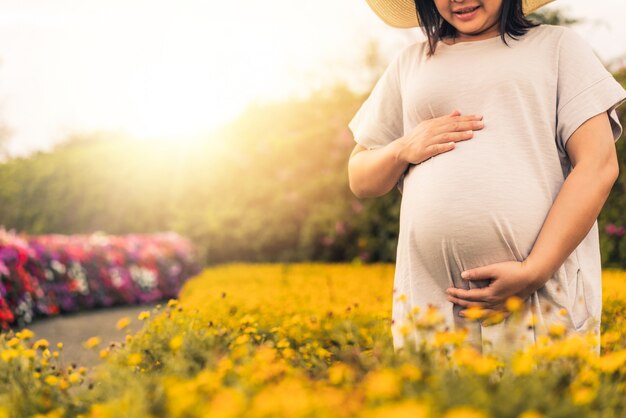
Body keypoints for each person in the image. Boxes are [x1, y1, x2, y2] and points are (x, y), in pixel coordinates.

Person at [347, 0, 626, 357]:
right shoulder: (410, 64)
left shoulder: (557, 47)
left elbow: (598, 164)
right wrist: (403, 148)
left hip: (538, 291)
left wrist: (534, 270)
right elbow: (360, 178)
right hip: (433, 300)